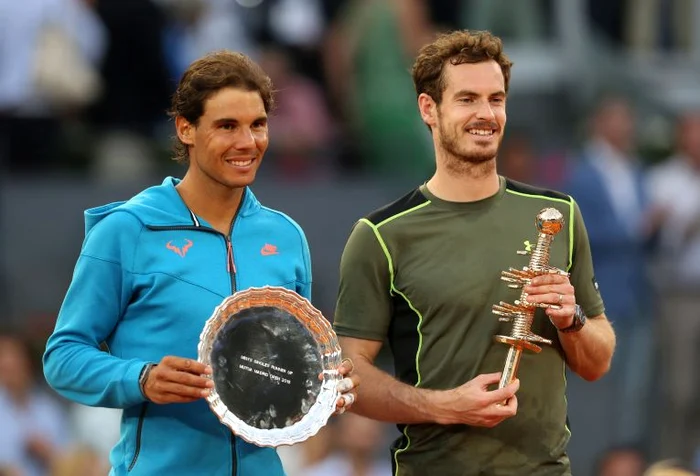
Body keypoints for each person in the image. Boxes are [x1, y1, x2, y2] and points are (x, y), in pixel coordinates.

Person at [42, 50, 359, 476]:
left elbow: (289, 365)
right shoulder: (128, 230)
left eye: (258, 125)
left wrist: (323, 389)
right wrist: (142, 379)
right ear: (185, 128)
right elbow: (63, 357)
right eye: (227, 126)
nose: (247, 142)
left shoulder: (285, 237)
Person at [333, 30, 616, 475]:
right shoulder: (381, 235)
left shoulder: (558, 213)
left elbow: (597, 361)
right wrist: (445, 406)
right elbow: (347, 379)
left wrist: (572, 319)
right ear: (429, 109)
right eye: (467, 99)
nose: (487, 114)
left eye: (496, 99)